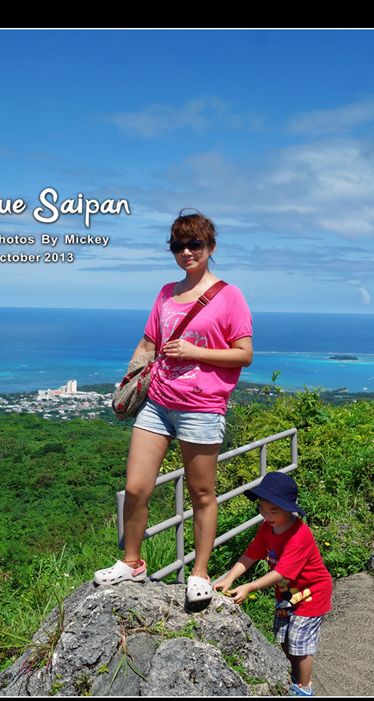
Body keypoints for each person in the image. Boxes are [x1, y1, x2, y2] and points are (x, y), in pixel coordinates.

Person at [94, 210, 253, 605]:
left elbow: (245, 354)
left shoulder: (229, 296)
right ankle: (132, 562)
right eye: (178, 246)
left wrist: (195, 351)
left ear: (210, 247)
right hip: (158, 402)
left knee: (202, 492)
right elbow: (149, 344)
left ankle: (199, 573)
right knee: (135, 487)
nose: (186, 252)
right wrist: (127, 384)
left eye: (195, 244)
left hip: (202, 406)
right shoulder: (166, 294)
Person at [213, 472, 331, 696]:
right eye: (261, 509)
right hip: (287, 594)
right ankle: (293, 674)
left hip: (311, 593)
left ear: (289, 508)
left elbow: (281, 572)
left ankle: (304, 687)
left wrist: (250, 586)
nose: (266, 515)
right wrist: (229, 578)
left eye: (273, 510)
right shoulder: (267, 528)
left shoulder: (299, 535)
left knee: (300, 641)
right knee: (284, 635)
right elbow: (251, 554)